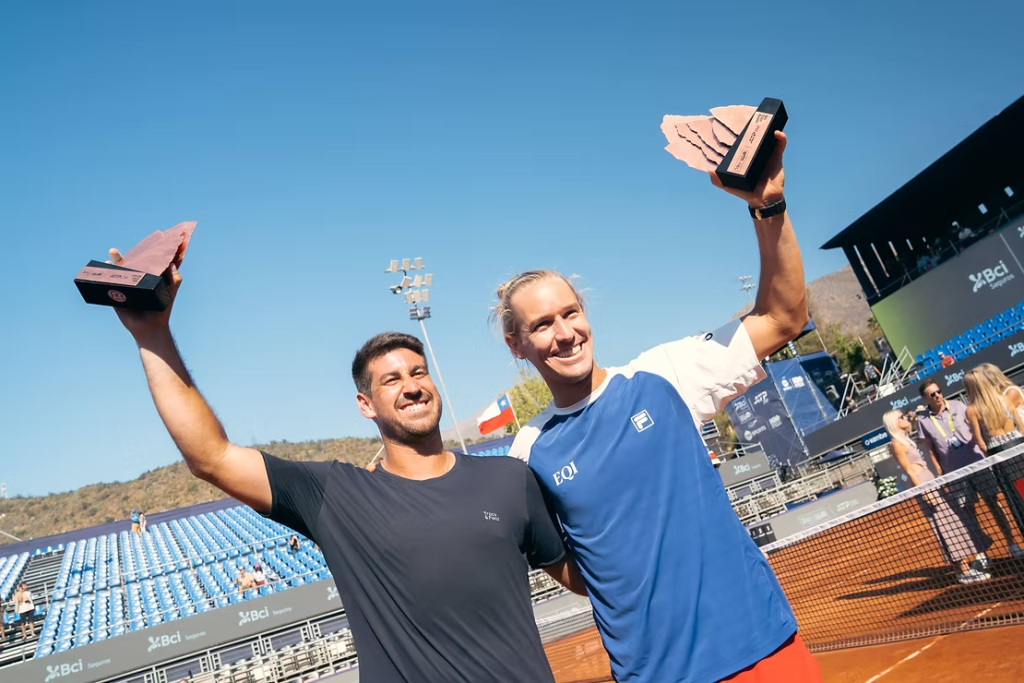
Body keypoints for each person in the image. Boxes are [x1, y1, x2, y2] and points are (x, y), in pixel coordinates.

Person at [103, 255, 584, 682]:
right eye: (391, 380)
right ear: (365, 405)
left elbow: (582, 579)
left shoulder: (508, 479)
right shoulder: (334, 494)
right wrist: (152, 334)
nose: (411, 386)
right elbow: (210, 457)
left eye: (418, 372)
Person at [496, 132, 821, 682]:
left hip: (762, 648)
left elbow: (783, 318)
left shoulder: (663, 374)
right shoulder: (528, 452)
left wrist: (769, 206)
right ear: (516, 345)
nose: (565, 333)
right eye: (542, 324)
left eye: (571, 313)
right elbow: (566, 566)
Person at [916, 378, 1024, 563]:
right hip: (954, 471)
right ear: (925, 398)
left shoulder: (959, 406)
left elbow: (977, 429)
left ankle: (1012, 543)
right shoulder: (923, 420)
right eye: (932, 394)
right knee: (968, 511)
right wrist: (939, 468)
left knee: (994, 503)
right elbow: (930, 448)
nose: (937, 396)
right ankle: (981, 553)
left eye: (939, 391)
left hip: (977, 463)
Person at [882, 410, 990, 583]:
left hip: (929, 480)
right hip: (923, 484)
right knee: (944, 526)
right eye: (901, 417)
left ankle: (963, 568)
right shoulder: (897, 444)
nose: (905, 418)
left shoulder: (905, 439)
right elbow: (909, 471)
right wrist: (925, 492)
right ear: (894, 423)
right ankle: (963, 571)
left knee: (952, 522)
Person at [964, 368, 1024, 456]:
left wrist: (989, 456)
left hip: (997, 450)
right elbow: (1021, 426)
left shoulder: (971, 410)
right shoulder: (1004, 399)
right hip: (1018, 442)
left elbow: (980, 443)